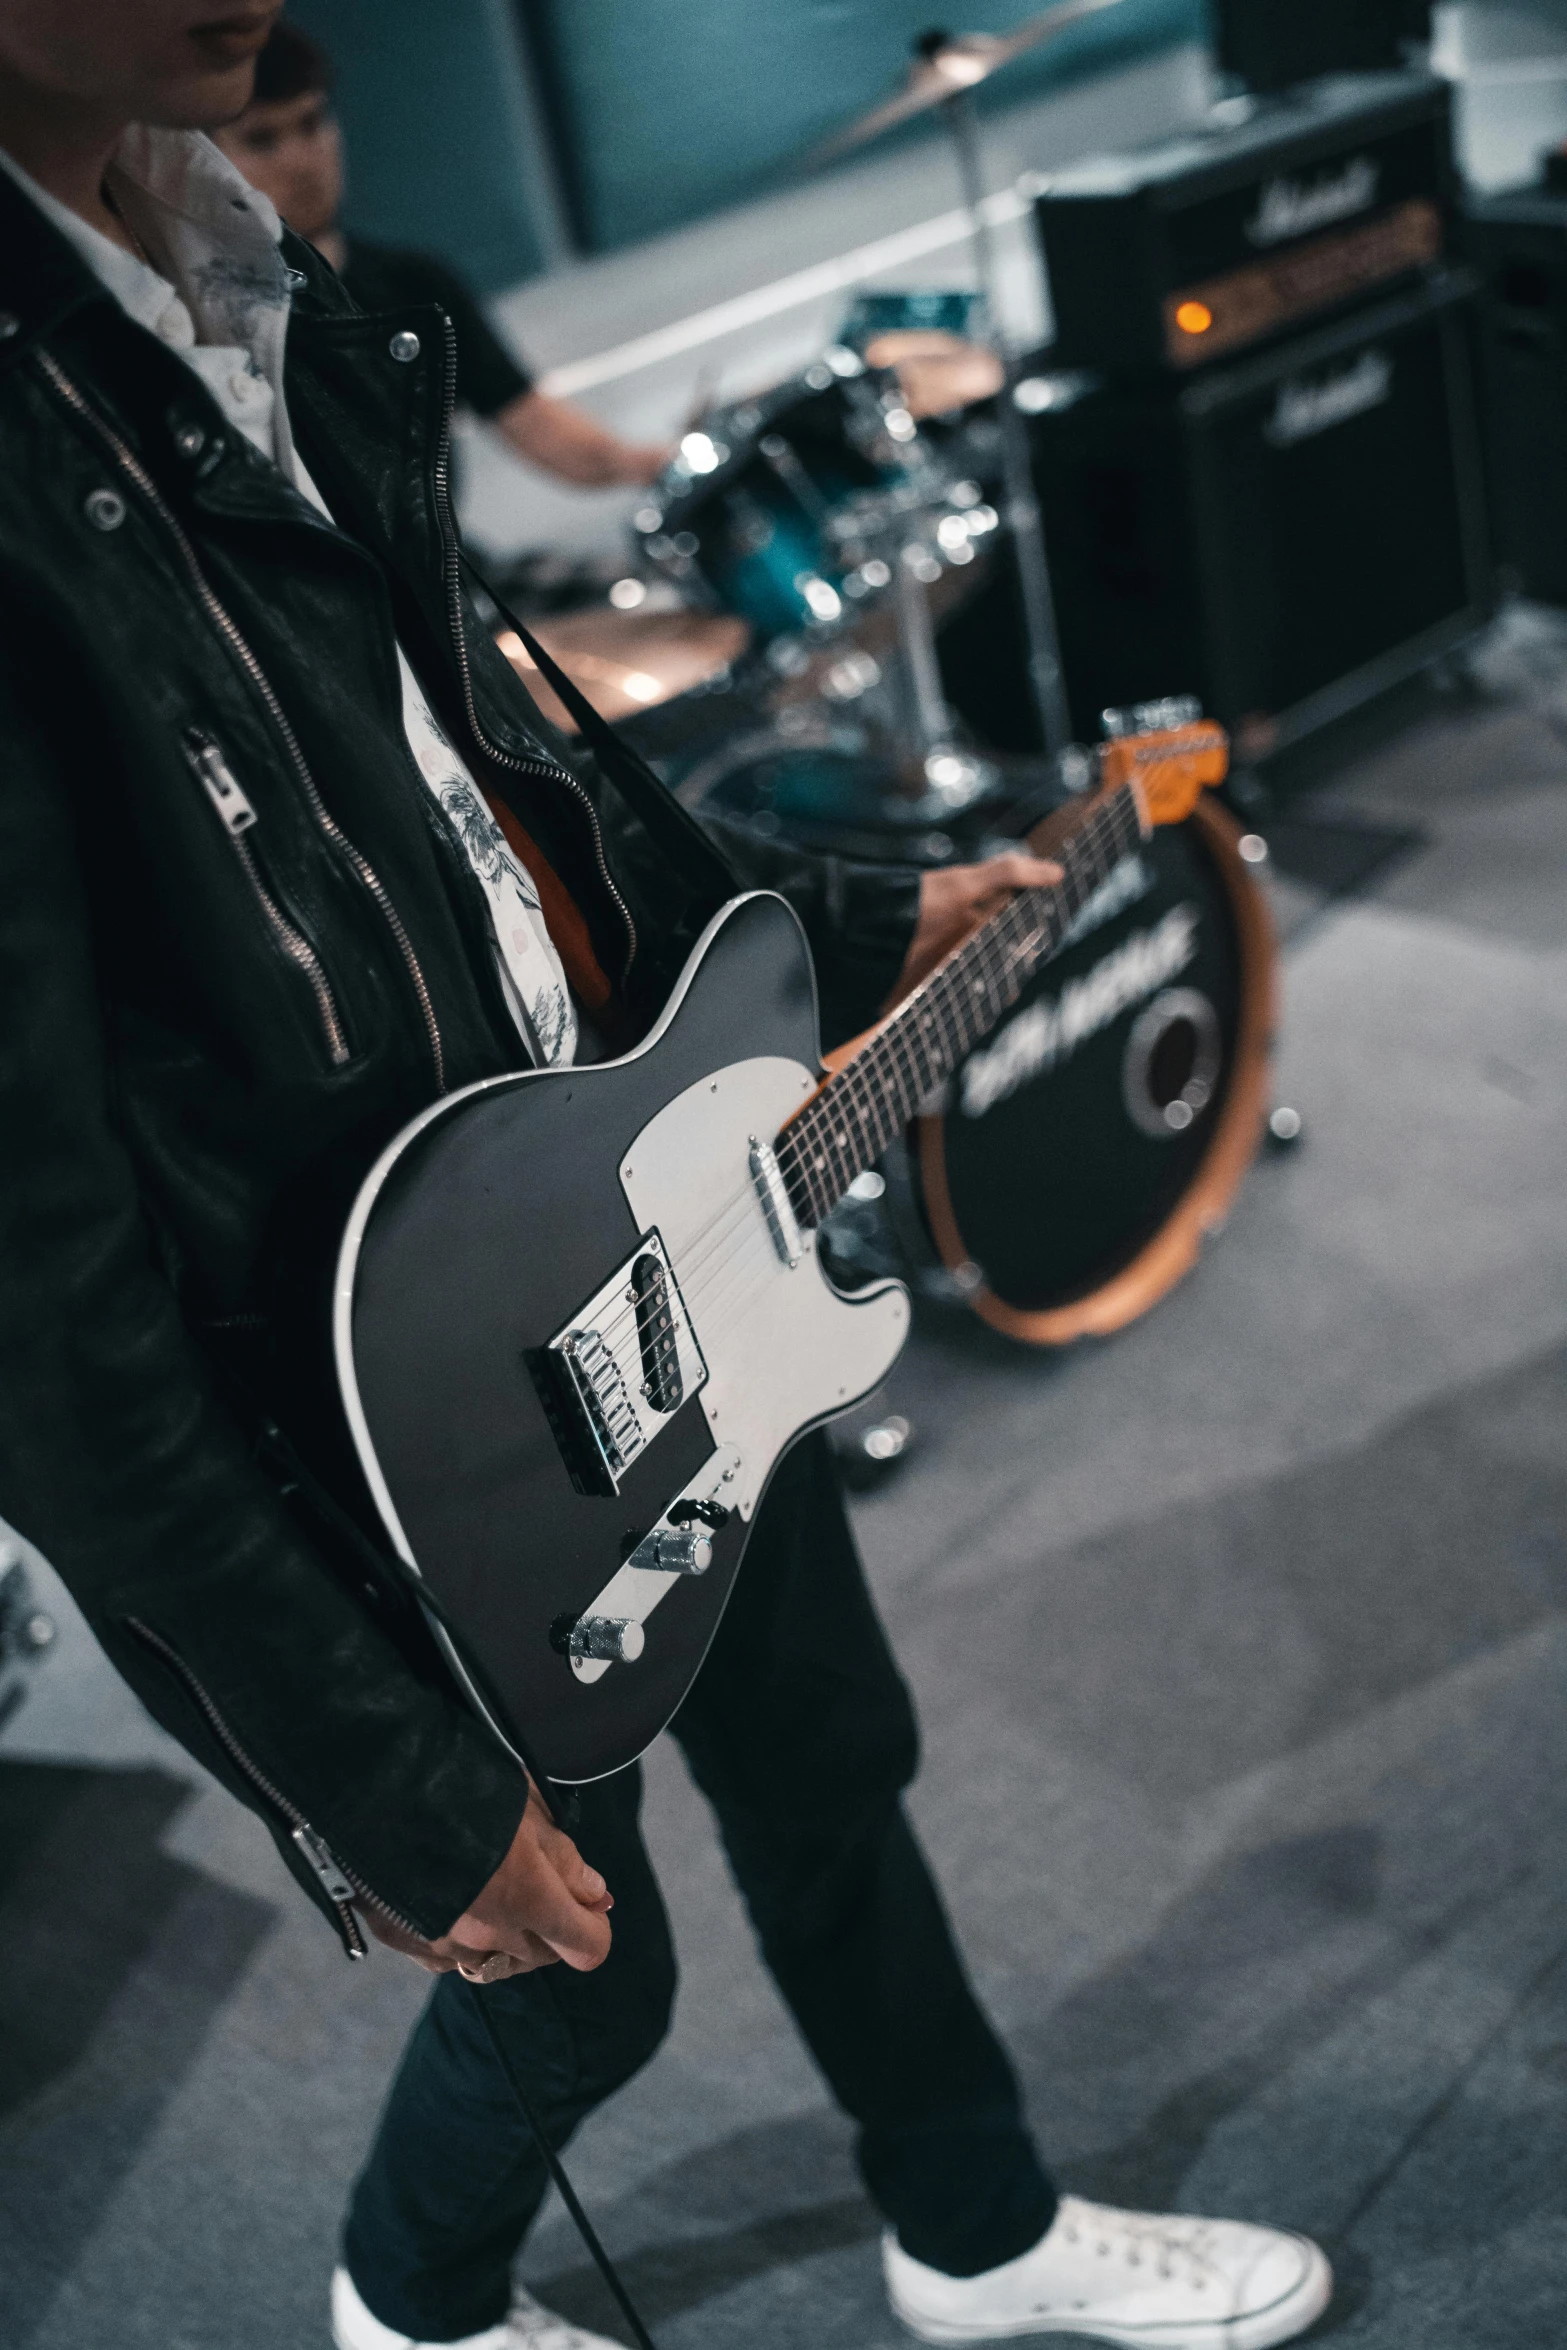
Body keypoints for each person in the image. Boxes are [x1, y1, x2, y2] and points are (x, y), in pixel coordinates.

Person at [0, 6, 1334, 2350]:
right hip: (392, 1413)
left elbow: (485, 794)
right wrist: (374, 1773)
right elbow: (37, 1292)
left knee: (832, 1759)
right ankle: (410, 2303)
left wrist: (826, 933)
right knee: (575, 1977)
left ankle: (977, 2219)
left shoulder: (280, 292)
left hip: (646, 1210)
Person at [213, 20, 668, 491]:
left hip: (447, 560)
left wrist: (674, 461)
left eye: (311, 123)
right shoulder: (211, 323)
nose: (300, 159)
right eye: (262, 139)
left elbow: (542, 431)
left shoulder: (416, 285)